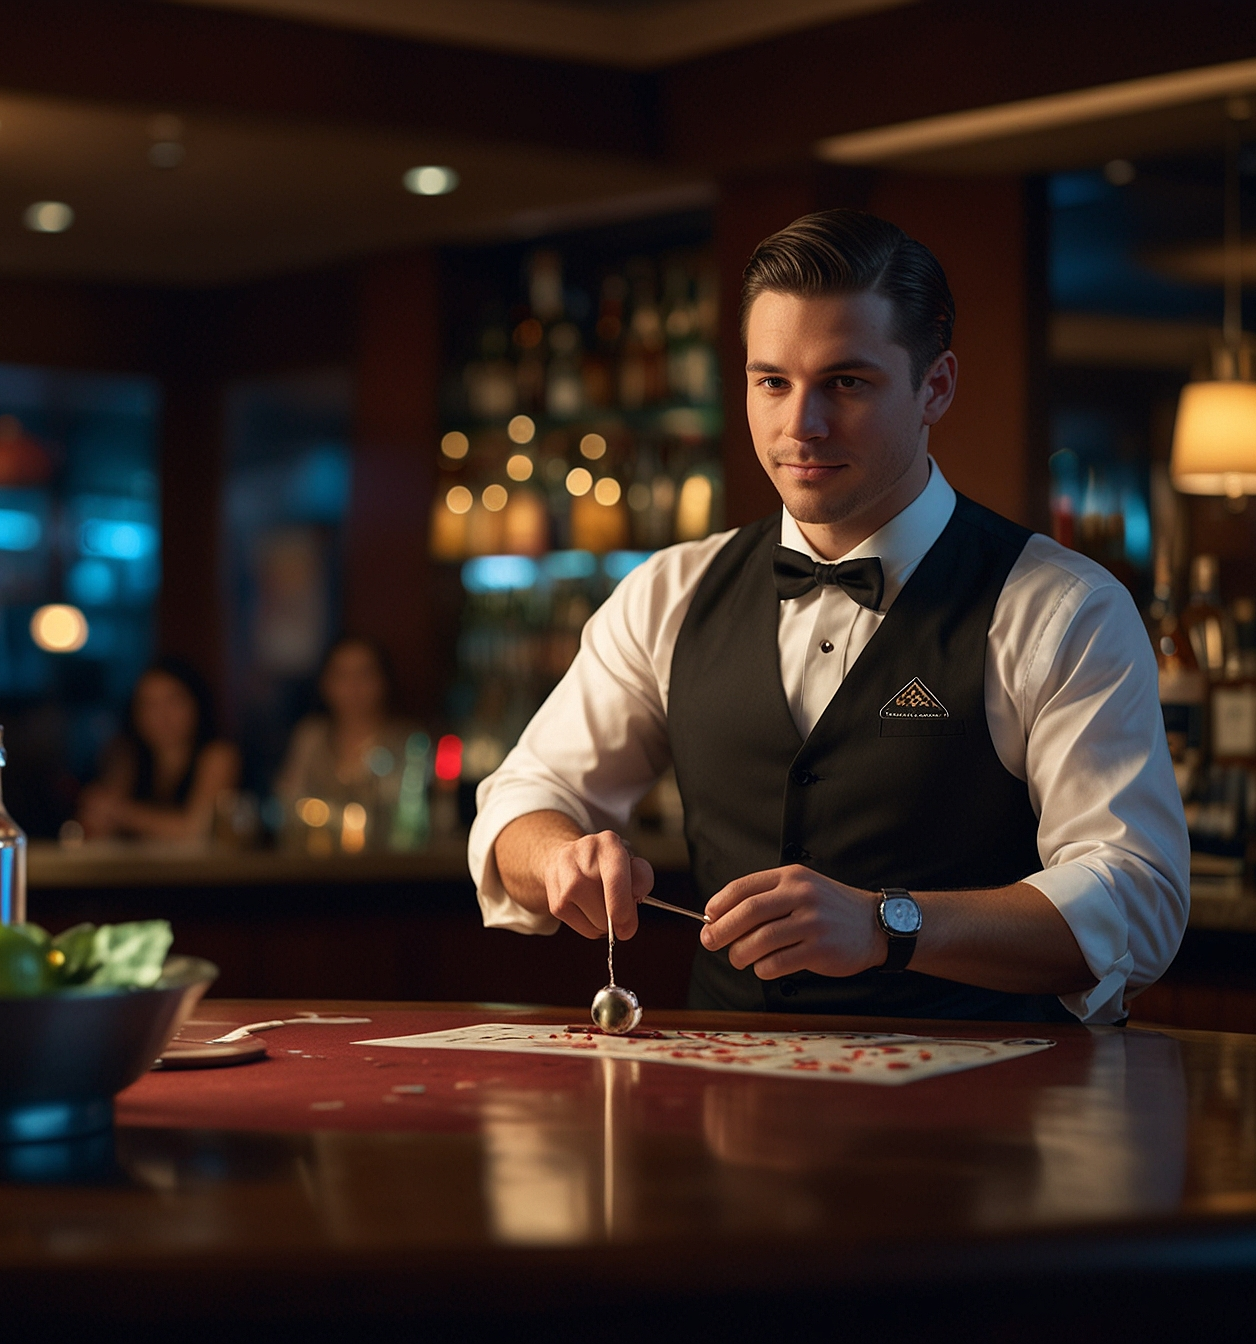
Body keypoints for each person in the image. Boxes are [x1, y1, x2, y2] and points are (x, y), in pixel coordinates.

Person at [469, 209, 1189, 1024]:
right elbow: (523, 798)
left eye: (845, 383)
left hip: (989, 1121)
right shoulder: (668, 593)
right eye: (771, 381)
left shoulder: (1061, 609)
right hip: (728, 1114)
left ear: (937, 387)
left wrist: (890, 924)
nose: (800, 426)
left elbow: (1136, 897)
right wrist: (559, 854)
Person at [77, 657, 240, 841]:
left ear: (197, 704)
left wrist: (121, 813)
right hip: (140, 869)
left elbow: (197, 831)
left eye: (173, 701)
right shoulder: (128, 757)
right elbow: (99, 824)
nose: (162, 716)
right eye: (149, 704)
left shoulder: (218, 755)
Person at [274, 636, 416, 844]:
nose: (353, 687)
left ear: (384, 681)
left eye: (364, 675)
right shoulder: (311, 738)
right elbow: (289, 807)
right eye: (342, 676)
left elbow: (409, 820)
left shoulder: (406, 742)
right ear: (326, 683)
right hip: (315, 865)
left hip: (390, 866)